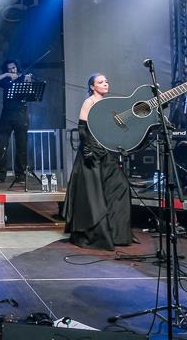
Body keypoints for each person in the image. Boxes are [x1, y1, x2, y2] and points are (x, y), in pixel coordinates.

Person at [63, 73, 132, 250]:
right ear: (92, 87)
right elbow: (82, 127)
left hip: (106, 150)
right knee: (94, 196)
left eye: (106, 81)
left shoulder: (107, 104)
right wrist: (87, 147)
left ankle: (116, 233)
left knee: (121, 186)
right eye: (101, 82)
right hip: (91, 152)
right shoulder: (90, 102)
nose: (105, 84)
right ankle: (96, 235)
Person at [0, 59, 31, 183]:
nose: (12, 70)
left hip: (21, 115)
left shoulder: (23, 78)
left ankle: (21, 175)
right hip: (6, 115)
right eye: (9, 69)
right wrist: (7, 75)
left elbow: (30, 93)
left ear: (17, 67)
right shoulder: (6, 80)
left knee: (21, 146)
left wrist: (27, 81)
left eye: (13, 68)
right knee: (1, 145)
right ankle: (0, 175)